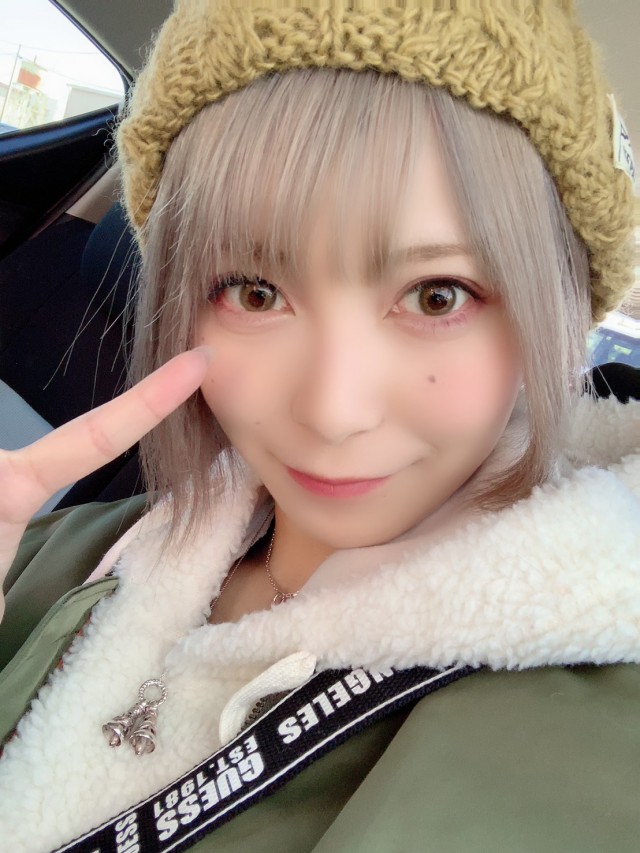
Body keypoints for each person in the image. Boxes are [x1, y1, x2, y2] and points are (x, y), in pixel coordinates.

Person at [0, 1, 638, 850]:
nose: (334, 412)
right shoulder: (55, 550)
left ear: (550, 316)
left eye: (436, 295)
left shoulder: (591, 735)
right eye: (256, 292)